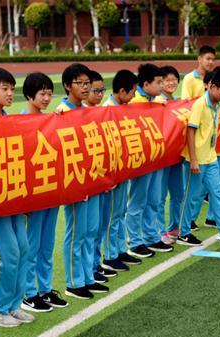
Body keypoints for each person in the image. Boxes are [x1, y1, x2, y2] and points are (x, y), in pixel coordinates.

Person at [0, 67, 34, 329]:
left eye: (12, 88)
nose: (11, 93)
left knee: (23, 249)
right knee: (10, 254)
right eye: (5, 89)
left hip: (14, 196)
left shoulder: (8, 117)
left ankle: (13, 304)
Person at [176, 67, 220, 247]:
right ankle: (183, 233)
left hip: (210, 158)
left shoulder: (217, 105)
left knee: (218, 194)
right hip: (197, 161)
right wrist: (193, 159)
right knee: (191, 197)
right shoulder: (200, 105)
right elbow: (190, 131)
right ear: (213, 87)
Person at [54, 63, 105, 300]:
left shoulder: (87, 110)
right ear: (67, 86)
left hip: (92, 178)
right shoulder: (61, 112)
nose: (85, 88)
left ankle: (87, 277)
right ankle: (74, 282)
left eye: (87, 83)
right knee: (76, 232)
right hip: (75, 181)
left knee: (90, 230)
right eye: (80, 83)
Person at [20, 72, 67, 313]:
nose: (47, 98)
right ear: (30, 95)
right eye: (42, 93)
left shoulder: (50, 119)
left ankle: (45, 288)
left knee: (47, 243)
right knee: (32, 243)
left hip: (51, 189)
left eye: (50, 93)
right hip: (34, 193)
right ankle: (28, 292)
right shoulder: (20, 121)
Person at [95, 69, 139, 280]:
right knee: (112, 215)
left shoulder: (123, 108)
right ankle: (111, 255)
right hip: (112, 173)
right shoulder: (107, 111)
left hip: (124, 169)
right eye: (131, 93)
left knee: (120, 212)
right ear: (122, 91)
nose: (132, 98)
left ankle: (120, 249)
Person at [126, 63, 164, 261]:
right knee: (138, 201)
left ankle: (151, 236)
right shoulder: (135, 102)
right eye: (158, 83)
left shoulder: (155, 101)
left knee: (154, 199)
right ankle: (134, 241)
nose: (162, 86)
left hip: (155, 158)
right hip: (141, 160)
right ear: (146, 84)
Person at [157, 66, 188, 241]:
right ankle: (161, 231)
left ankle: (175, 227)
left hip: (177, 157)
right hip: (161, 159)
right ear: (160, 83)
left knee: (178, 194)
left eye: (174, 79)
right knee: (160, 196)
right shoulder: (157, 103)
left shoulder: (178, 103)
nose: (171, 83)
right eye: (166, 80)